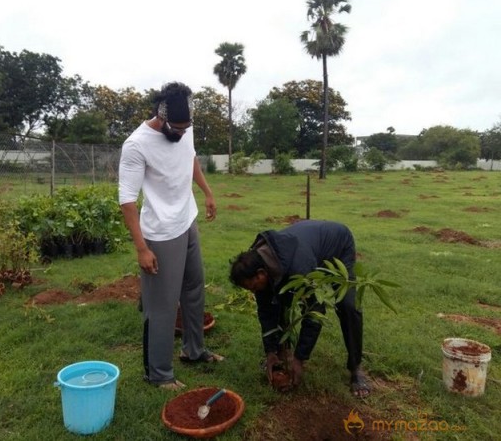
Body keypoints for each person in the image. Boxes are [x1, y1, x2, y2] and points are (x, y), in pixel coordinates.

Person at [118, 81, 223, 391]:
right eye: (175, 128)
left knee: (194, 289)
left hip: (186, 220)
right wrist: (141, 249)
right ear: (160, 117)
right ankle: (158, 373)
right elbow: (126, 199)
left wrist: (207, 192)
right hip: (160, 234)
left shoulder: (184, 129)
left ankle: (194, 350)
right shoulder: (137, 144)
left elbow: (189, 158)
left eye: (185, 127)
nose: (180, 133)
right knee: (162, 305)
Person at [228, 219, 370, 397]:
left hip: (338, 246)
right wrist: (270, 351)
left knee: (348, 305)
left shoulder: (299, 269)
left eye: (254, 287)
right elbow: (266, 310)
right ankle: (281, 352)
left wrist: (300, 359)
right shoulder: (258, 264)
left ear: (261, 274)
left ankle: (356, 367)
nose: (254, 292)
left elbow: (314, 313)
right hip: (310, 246)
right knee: (276, 298)